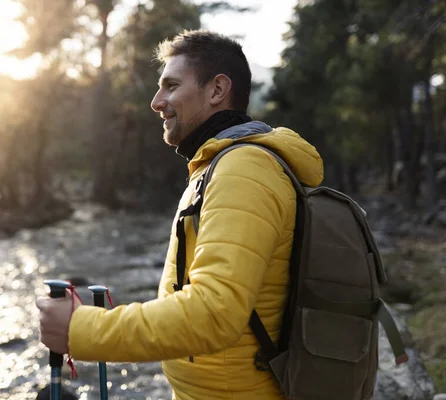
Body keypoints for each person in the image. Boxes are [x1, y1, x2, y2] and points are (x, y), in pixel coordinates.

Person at [36, 29, 324, 400]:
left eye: (171, 86)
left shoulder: (243, 170)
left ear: (217, 90)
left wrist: (82, 329)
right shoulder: (218, 166)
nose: (157, 102)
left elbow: (214, 312)